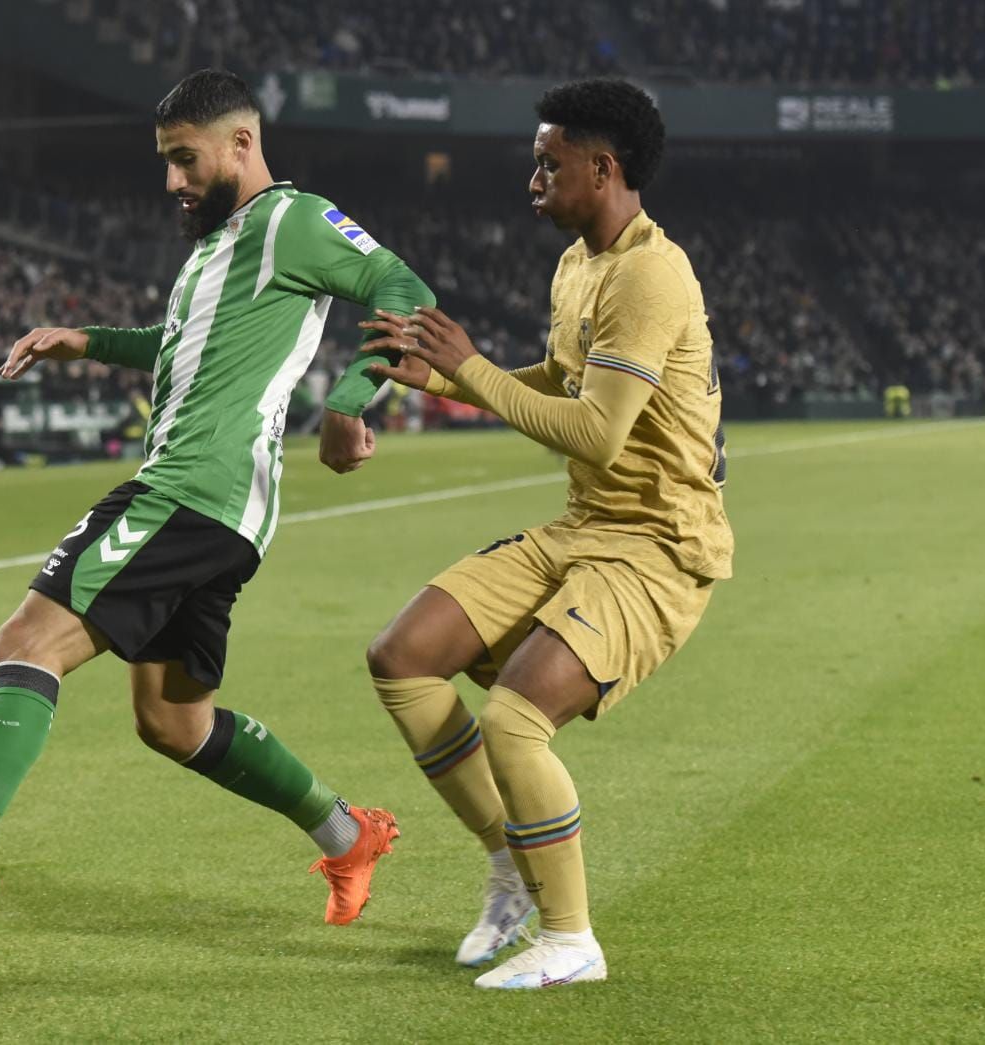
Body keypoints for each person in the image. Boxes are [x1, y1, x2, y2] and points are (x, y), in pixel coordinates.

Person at [0, 69, 434, 948]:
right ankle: (348, 834)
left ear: (242, 145)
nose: (172, 181)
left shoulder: (292, 220)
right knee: (173, 720)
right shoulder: (218, 249)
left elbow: (408, 292)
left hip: (190, 491)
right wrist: (86, 341)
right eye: (166, 162)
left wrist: (353, 400)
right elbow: (182, 349)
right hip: (222, 511)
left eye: (185, 159)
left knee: (28, 642)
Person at [360, 79, 732, 990]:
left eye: (548, 161)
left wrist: (472, 369)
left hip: (658, 543)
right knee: (403, 655)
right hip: (587, 524)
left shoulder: (650, 272)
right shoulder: (578, 261)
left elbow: (596, 429)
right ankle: (511, 864)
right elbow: (564, 380)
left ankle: (572, 940)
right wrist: (443, 379)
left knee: (515, 719)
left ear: (602, 168)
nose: (533, 176)